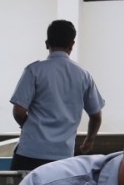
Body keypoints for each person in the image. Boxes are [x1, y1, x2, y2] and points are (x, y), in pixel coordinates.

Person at [10, 20, 105, 171]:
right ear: (72, 45)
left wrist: (27, 126)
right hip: (62, 157)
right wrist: (89, 140)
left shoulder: (34, 71)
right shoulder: (84, 76)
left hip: (30, 152)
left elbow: (19, 111)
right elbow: (96, 116)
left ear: (47, 44)